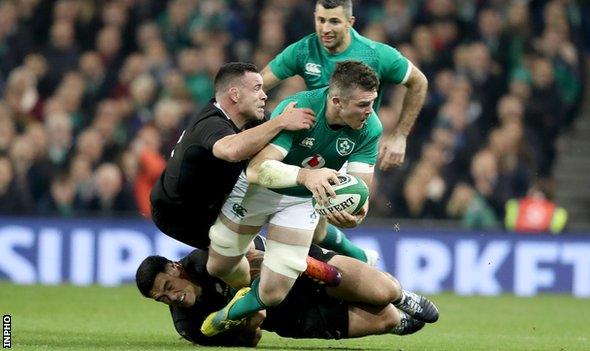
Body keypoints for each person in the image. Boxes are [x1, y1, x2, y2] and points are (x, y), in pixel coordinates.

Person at [202, 61, 396, 336]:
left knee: (273, 294)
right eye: (363, 104)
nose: (370, 111)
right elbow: (258, 169)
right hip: (261, 190)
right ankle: (245, 285)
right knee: (218, 265)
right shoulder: (298, 109)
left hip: (303, 199)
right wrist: (306, 176)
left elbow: (361, 190)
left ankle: (229, 313)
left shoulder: (370, 128)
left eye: (372, 102)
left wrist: (355, 216)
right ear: (337, 101)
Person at [260, 0, 429, 262]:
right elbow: (260, 84)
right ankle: (359, 256)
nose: (325, 28)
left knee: (332, 215)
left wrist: (400, 136)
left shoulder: (376, 55)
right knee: (315, 227)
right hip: (313, 142)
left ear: (350, 23)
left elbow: (418, 82)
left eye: (334, 21)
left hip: (353, 144)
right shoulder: (304, 50)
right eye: (321, 20)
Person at [135, 236, 439, 346]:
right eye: (162, 298)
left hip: (300, 269)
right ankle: (396, 316)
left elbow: (256, 251)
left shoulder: (207, 260)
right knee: (384, 319)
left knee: (383, 291)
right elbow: (252, 339)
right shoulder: (188, 326)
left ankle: (401, 296)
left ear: (175, 268)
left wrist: (258, 270)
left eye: (168, 287)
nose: (172, 298)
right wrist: (248, 324)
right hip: (294, 317)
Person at [149, 62, 315, 250]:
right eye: (257, 88)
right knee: (251, 256)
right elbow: (232, 150)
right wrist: (281, 121)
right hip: (178, 215)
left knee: (265, 250)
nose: (264, 95)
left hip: (215, 205)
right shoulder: (210, 123)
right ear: (235, 95)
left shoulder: (255, 120)